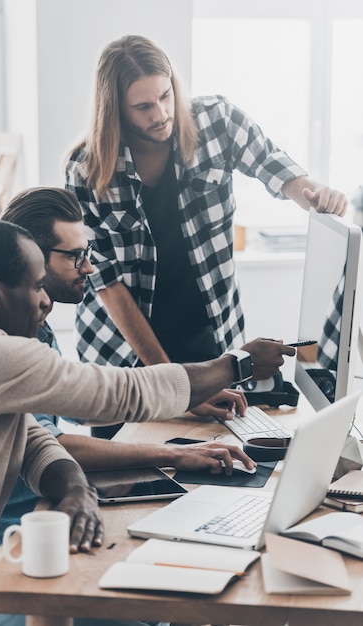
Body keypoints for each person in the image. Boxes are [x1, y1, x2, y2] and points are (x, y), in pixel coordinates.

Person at [0, 218, 294, 626]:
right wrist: (237, 364)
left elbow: (34, 439)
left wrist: (77, 491)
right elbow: (122, 391)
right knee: (142, 608)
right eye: (37, 286)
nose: (45, 302)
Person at [64, 34, 347, 433]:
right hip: (127, 360)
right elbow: (109, 287)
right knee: (132, 482)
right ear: (115, 111)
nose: (161, 113)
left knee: (219, 468)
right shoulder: (87, 171)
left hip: (210, 342)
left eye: (165, 95)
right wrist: (177, 389)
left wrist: (314, 194)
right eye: (143, 106)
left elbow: (272, 164)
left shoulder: (216, 122)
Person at [0, 185, 256, 558]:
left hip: (44, 513)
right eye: (77, 256)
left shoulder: (36, 327)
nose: (90, 267)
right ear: (32, 256)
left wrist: (183, 404)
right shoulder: (2, 346)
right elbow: (51, 442)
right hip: (15, 534)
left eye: (88, 253)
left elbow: (76, 399)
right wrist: (170, 454)